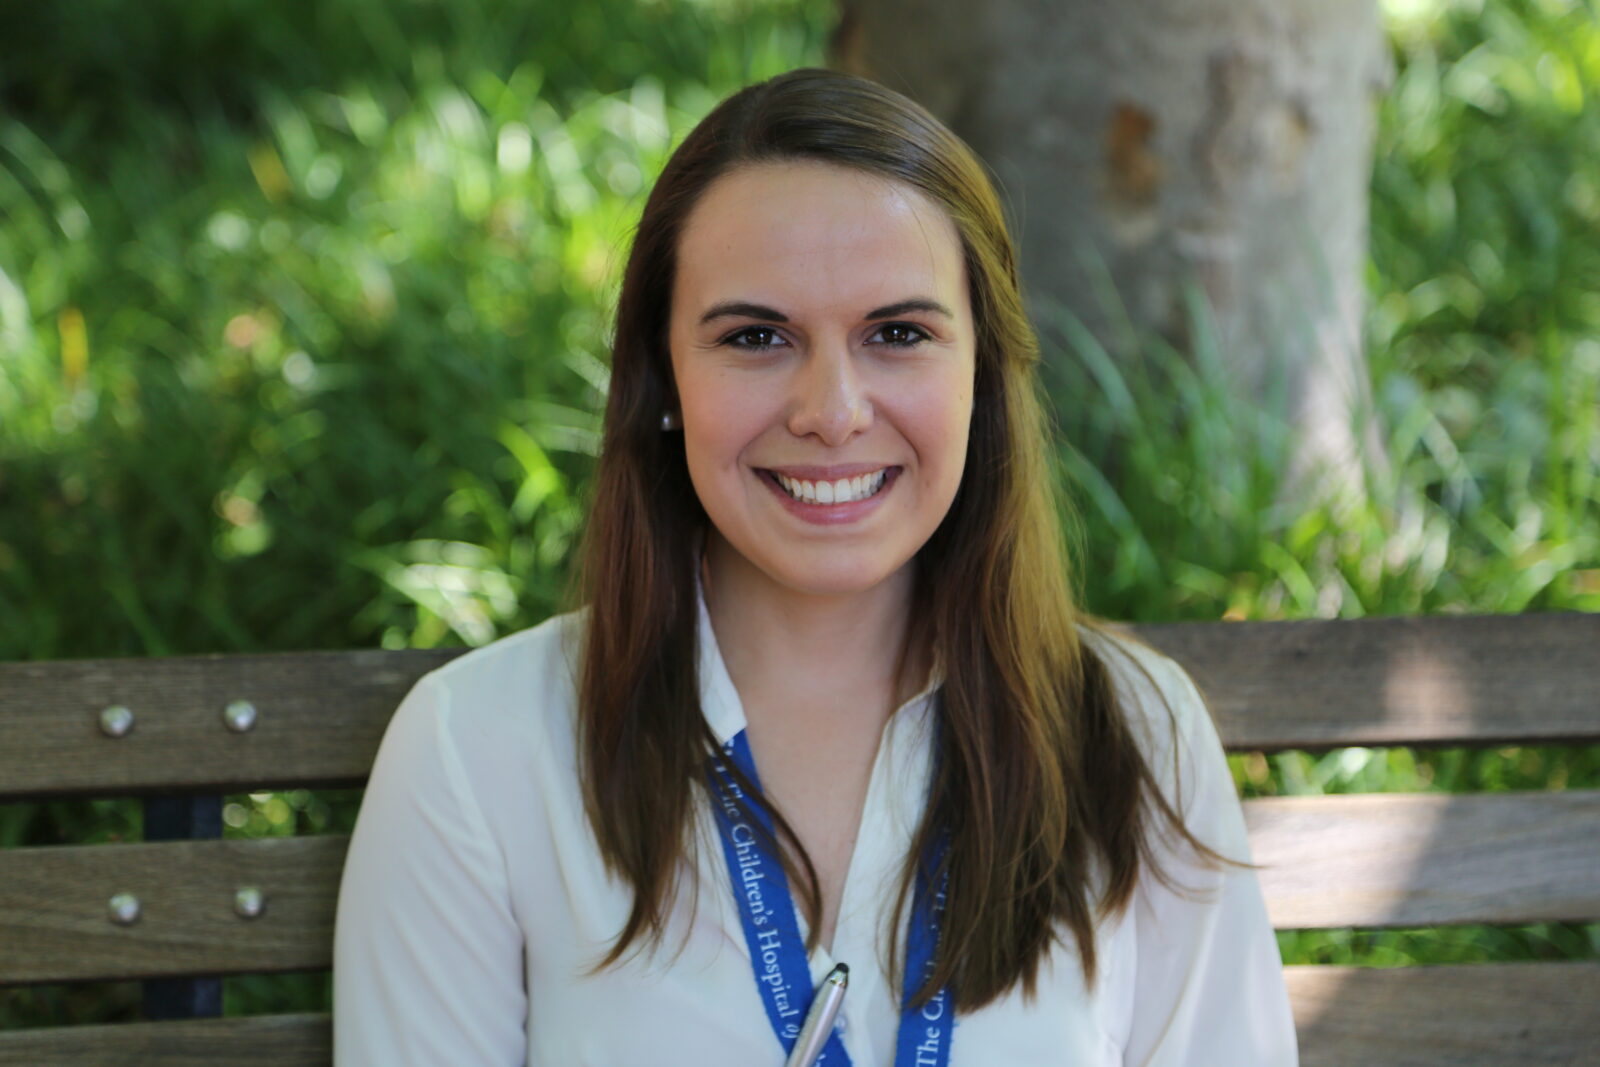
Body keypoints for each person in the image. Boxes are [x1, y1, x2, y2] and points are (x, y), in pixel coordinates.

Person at [332, 66, 1299, 1066]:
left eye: (897, 333)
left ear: (983, 376)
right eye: (756, 336)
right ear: (662, 377)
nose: (831, 410)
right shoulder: (476, 750)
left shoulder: (1136, 731)